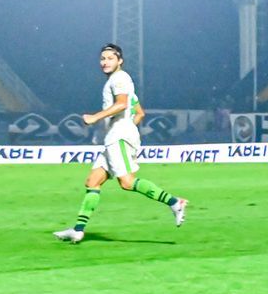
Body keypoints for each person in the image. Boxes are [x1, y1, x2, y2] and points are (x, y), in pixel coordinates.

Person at [54, 44, 188, 243]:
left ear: (120, 61)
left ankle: (175, 202)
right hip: (115, 138)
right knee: (93, 181)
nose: (105, 62)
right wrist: (127, 127)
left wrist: (97, 118)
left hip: (118, 138)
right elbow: (139, 112)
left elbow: (122, 105)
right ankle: (78, 230)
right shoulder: (120, 82)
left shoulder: (120, 79)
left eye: (110, 58)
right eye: (102, 58)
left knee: (126, 182)